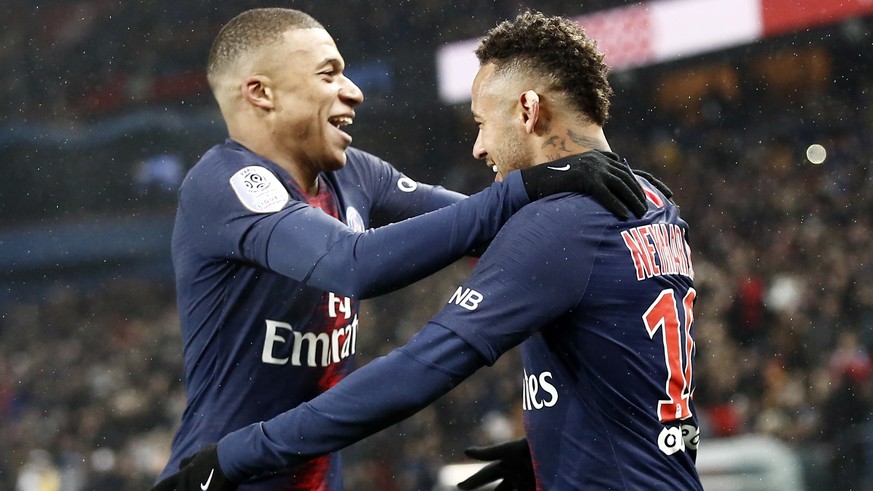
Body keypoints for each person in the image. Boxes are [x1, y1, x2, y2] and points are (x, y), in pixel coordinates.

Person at [152, 9, 701, 491]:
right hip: (213, 479)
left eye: (483, 123)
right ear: (261, 93)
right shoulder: (222, 184)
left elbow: (507, 244)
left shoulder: (358, 176)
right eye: (329, 73)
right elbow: (353, 263)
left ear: (528, 111)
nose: (354, 91)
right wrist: (557, 442)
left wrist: (561, 443)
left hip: (277, 465)